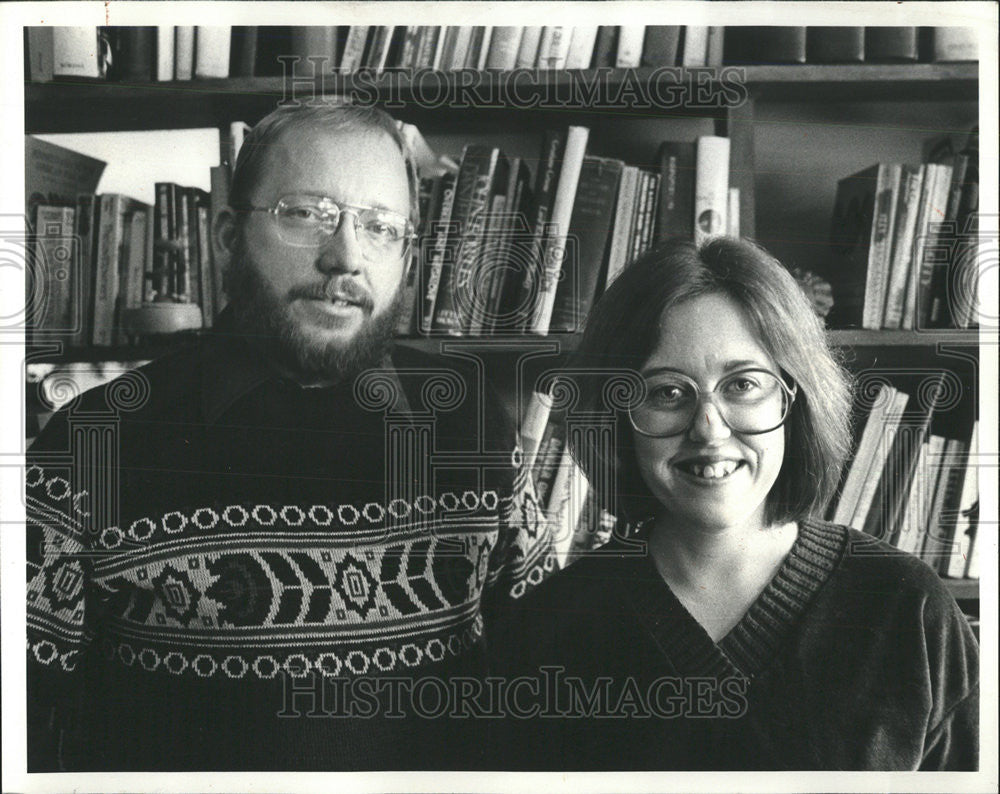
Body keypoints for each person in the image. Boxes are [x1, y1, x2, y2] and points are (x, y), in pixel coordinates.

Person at [26, 103, 553, 771]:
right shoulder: (90, 444)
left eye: (381, 227)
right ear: (227, 235)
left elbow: (543, 684)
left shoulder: (475, 426)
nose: (346, 258)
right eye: (306, 214)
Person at [492, 237, 979, 770]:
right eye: (667, 392)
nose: (709, 428)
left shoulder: (911, 612)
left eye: (742, 384)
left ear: (796, 399)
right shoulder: (548, 630)